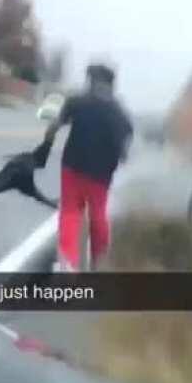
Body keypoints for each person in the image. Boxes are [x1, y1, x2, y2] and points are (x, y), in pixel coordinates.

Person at [47, 63, 133, 271]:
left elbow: (56, 124)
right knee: (98, 215)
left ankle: (67, 262)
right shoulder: (119, 112)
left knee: (70, 212)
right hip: (101, 175)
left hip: (73, 166)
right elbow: (125, 142)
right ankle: (99, 263)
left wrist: (48, 139)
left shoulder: (77, 100)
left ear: (91, 81)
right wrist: (120, 157)